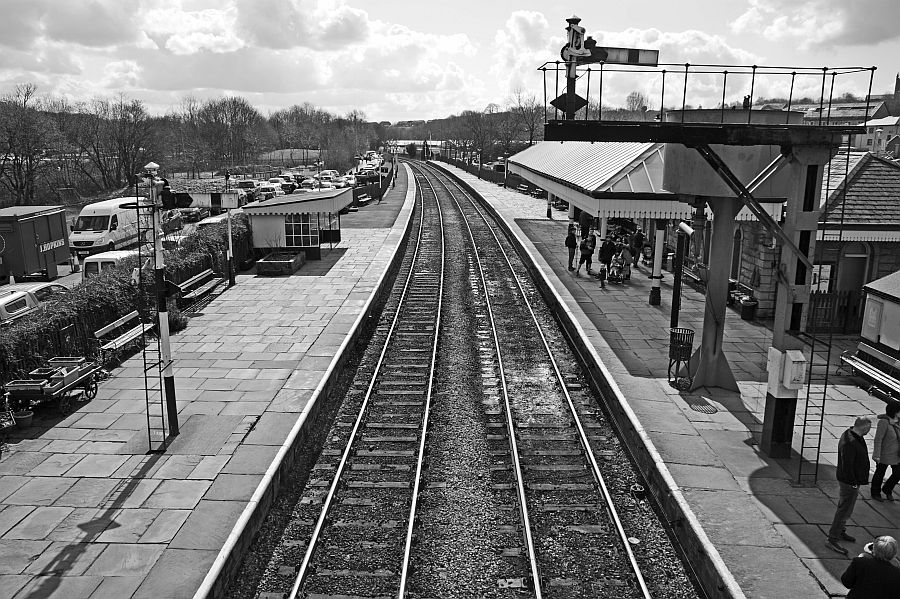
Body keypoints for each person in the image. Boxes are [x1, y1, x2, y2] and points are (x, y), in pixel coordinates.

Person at [827, 416, 873, 555]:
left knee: (846, 509)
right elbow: (847, 466)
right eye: (869, 428)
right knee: (844, 510)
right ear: (864, 427)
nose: (869, 431)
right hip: (849, 483)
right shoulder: (850, 442)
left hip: (852, 481)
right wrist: (853, 483)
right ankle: (832, 539)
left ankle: (840, 531)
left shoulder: (852, 435)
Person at [871, 401, 900, 501]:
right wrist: (876, 455)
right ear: (896, 412)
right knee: (880, 473)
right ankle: (875, 492)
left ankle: (887, 489)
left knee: (898, 473)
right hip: (885, 453)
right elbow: (878, 439)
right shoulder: (884, 422)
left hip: (897, 454)